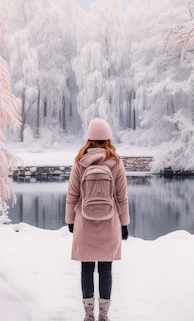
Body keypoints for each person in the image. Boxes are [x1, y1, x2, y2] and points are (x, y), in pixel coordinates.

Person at [65, 118, 130, 321]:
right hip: (110, 222)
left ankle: (88, 315)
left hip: (84, 222)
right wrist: (124, 224)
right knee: (105, 269)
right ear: (108, 139)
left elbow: (72, 195)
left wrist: (70, 221)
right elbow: (122, 197)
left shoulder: (80, 162)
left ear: (89, 140)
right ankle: (103, 315)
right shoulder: (116, 162)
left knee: (86, 268)